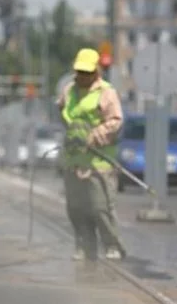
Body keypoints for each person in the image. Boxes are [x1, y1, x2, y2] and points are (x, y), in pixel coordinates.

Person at [56, 48, 127, 262]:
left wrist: (93, 136)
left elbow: (115, 121)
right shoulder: (69, 91)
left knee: (100, 207)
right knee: (76, 208)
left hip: (99, 161)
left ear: (96, 71)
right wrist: (73, 134)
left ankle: (112, 245)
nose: (82, 76)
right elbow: (62, 111)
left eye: (87, 72)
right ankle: (84, 245)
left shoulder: (106, 92)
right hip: (74, 160)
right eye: (79, 71)